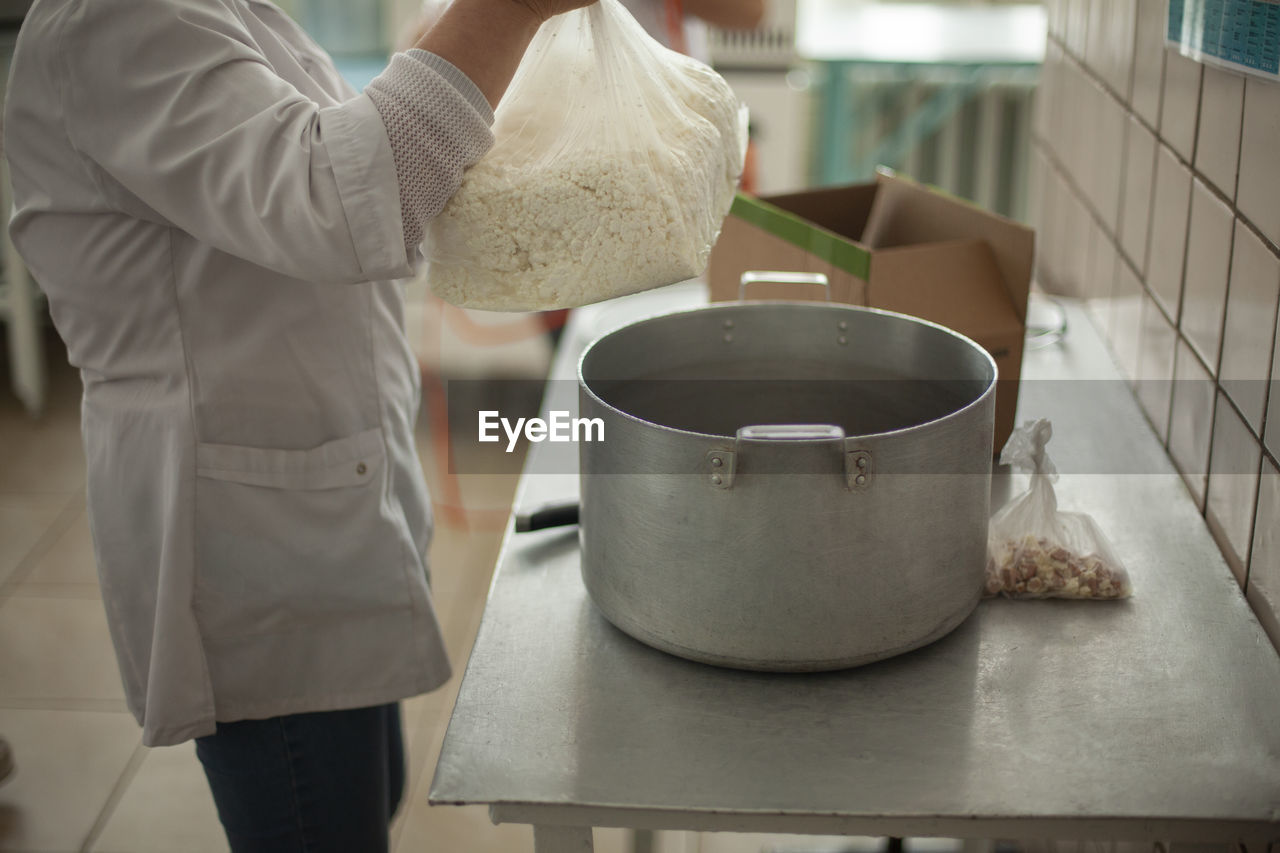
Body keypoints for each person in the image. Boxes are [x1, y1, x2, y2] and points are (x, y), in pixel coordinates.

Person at [3, 0, 592, 849]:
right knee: (317, 821)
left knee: (364, 793)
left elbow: (328, 155)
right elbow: (338, 201)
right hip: (254, 546)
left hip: (330, 495)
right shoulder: (120, 19)